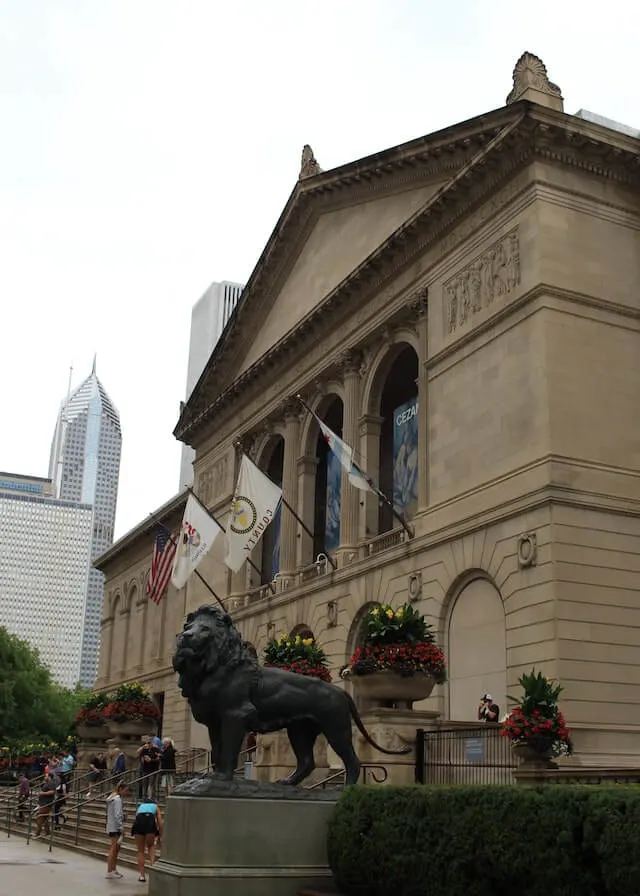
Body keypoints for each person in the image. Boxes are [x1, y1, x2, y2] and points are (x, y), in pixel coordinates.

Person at [131, 799, 163, 883]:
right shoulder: (155, 807)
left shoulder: (140, 807)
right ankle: (153, 869)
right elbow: (160, 821)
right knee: (151, 846)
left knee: (140, 851)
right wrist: (160, 834)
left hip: (138, 825)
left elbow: (136, 818)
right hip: (149, 824)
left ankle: (142, 875)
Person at [106, 781, 129, 879]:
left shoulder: (112, 798)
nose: (126, 793)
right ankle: (110, 871)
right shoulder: (117, 800)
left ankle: (113, 869)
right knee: (114, 848)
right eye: (125, 790)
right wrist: (121, 827)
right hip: (115, 827)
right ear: (120, 789)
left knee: (115, 849)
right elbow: (117, 815)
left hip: (111, 825)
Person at [34, 773, 57, 838]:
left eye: (45, 776)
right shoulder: (46, 783)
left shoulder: (51, 783)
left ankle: (37, 833)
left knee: (39, 817)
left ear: (49, 777)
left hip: (46, 803)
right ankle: (47, 832)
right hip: (42, 803)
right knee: (45, 818)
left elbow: (52, 792)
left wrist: (42, 793)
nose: (44, 777)